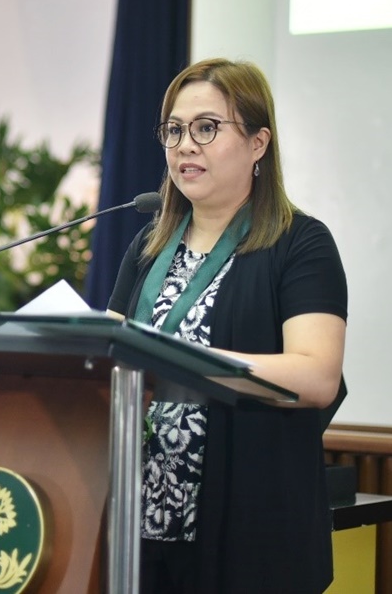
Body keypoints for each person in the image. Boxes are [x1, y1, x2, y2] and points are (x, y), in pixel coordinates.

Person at [107, 58, 347, 593]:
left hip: (248, 530)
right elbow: (104, 359)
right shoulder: (147, 249)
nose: (185, 145)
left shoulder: (300, 244)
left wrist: (185, 365)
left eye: (206, 128)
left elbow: (317, 375)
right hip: (135, 528)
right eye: (173, 130)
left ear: (259, 143)